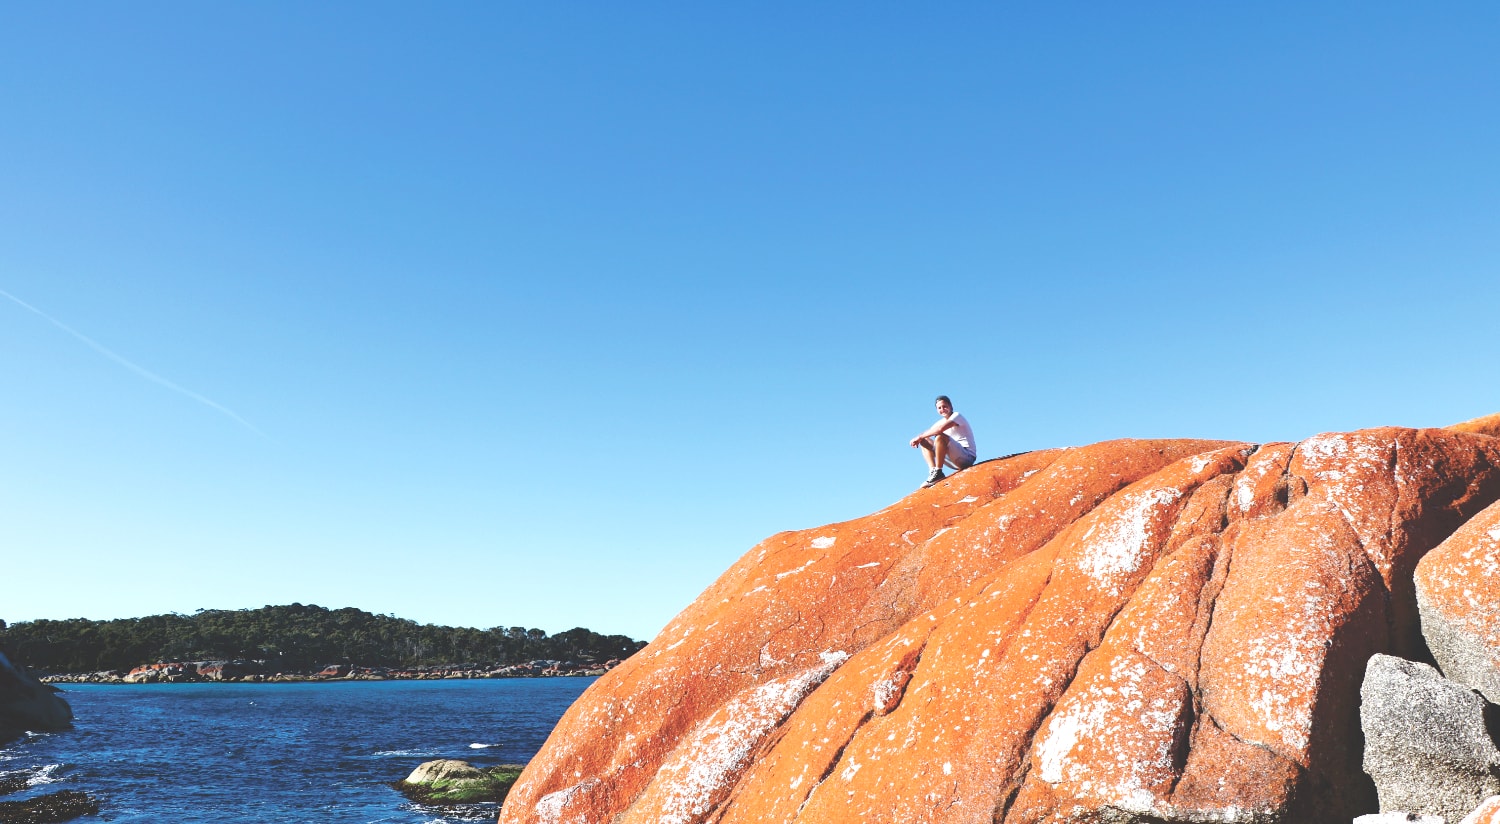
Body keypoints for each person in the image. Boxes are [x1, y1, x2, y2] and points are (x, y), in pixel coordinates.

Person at [909, 395, 976, 488]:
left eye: (945, 406)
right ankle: (933, 471)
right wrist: (919, 438)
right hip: (953, 460)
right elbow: (928, 432)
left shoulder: (957, 416)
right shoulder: (939, 422)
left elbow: (940, 429)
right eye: (939, 408)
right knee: (924, 440)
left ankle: (938, 471)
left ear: (951, 406)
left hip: (967, 458)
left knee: (940, 436)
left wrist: (919, 436)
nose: (942, 409)